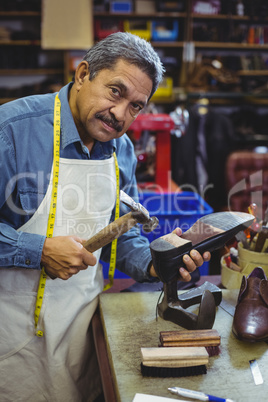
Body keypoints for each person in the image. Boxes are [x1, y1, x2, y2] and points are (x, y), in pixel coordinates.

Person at [0, 32, 210, 401]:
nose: (120, 114)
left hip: (84, 332)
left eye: (136, 106)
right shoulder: (12, 131)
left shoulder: (121, 151)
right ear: (83, 74)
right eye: (116, 91)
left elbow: (122, 233)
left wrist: (157, 264)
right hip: (12, 339)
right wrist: (38, 250)